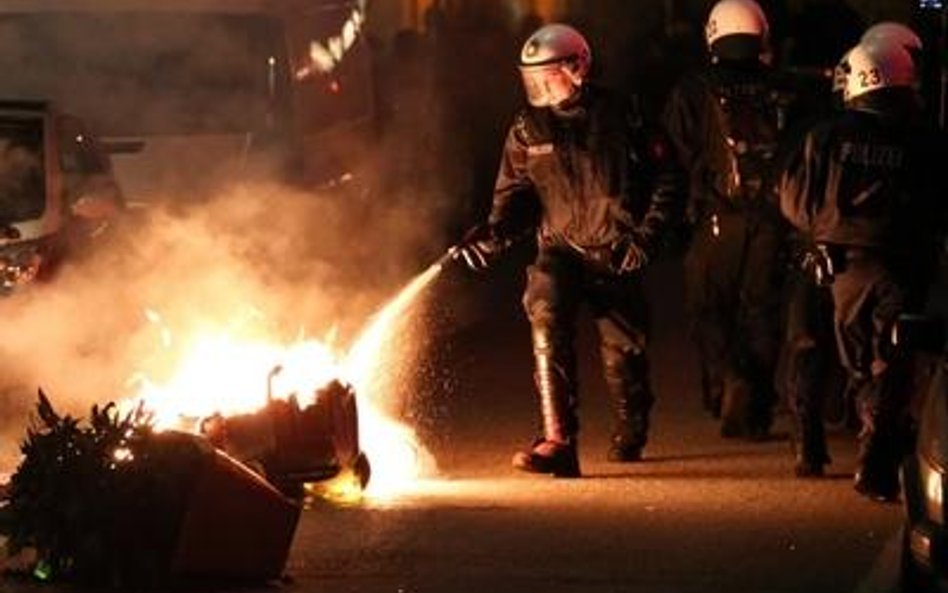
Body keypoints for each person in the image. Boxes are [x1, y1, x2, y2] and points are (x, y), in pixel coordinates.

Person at [455, 23, 682, 477]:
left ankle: (631, 428)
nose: (539, 86)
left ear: (577, 67)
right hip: (559, 248)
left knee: (625, 352)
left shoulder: (625, 114)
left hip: (616, 251)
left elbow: (668, 178)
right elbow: (515, 198)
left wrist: (645, 238)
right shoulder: (527, 128)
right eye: (531, 77)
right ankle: (558, 439)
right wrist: (493, 234)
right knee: (546, 317)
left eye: (549, 74)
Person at [779, 40, 946, 501]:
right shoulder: (925, 139)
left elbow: (793, 201)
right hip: (902, 264)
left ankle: (834, 451)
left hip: (838, 267)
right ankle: (874, 460)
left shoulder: (825, 135)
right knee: (890, 360)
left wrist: (818, 238)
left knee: (839, 355)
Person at [662, 0, 797, 438]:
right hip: (775, 220)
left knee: (710, 309)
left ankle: (724, 386)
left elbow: (674, 157)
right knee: (762, 309)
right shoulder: (787, 88)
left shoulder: (693, 89)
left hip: (715, 219)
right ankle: (756, 403)